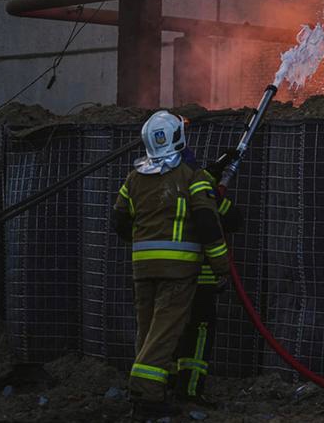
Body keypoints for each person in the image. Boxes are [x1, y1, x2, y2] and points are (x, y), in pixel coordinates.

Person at [111, 111, 230, 421]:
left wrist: (146, 240)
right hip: (178, 273)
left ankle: (151, 390)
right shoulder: (191, 177)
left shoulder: (134, 178)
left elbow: (119, 220)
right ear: (178, 138)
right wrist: (221, 267)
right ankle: (146, 394)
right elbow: (208, 224)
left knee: (148, 331)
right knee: (164, 332)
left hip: (142, 270)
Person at [173, 149, 242, 406]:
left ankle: (165, 386)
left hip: (165, 277)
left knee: (168, 331)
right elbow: (231, 219)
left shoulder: (155, 188)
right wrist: (212, 189)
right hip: (199, 278)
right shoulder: (201, 192)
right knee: (199, 332)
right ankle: (190, 390)